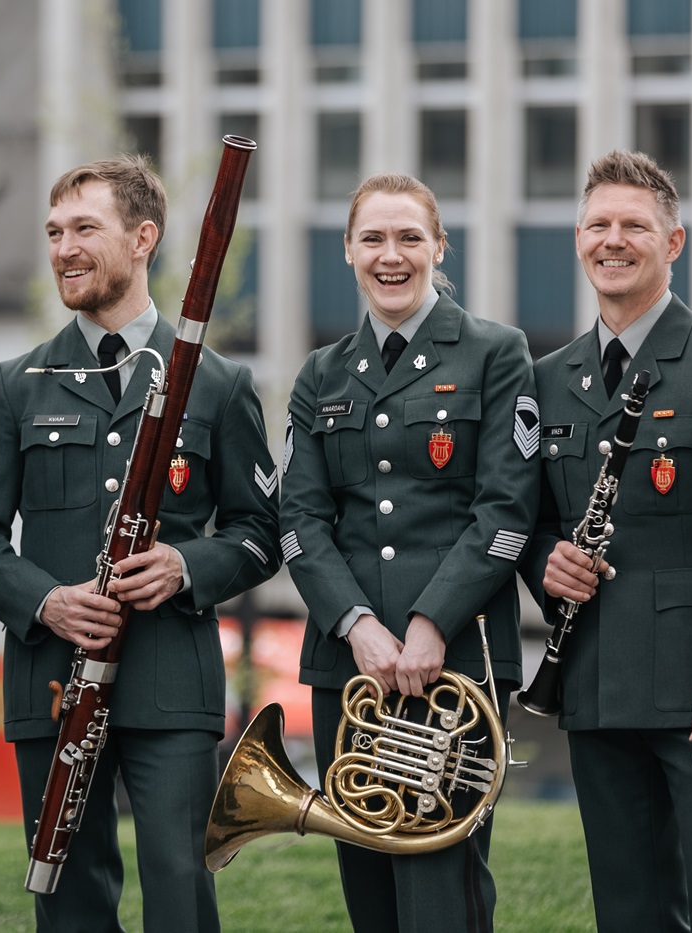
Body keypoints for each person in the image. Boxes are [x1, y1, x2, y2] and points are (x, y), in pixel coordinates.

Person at [0, 154, 280, 933]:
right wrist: (47, 602)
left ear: (142, 238)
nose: (64, 248)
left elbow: (264, 534)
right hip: (53, 683)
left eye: (84, 229)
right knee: (70, 905)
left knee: (181, 894)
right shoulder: (17, 382)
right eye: (54, 232)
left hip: (171, 681)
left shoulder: (217, 383)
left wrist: (185, 566)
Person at [519, 150, 692, 932]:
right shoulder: (548, 377)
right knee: (628, 908)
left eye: (634, 226)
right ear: (578, 240)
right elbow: (527, 522)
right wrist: (545, 563)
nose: (614, 240)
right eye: (598, 224)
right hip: (595, 683)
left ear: (673, 243)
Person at [278, 172, 539, 932]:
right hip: (348, 667)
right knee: (369, 893)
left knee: (441, 890)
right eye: (373, 239)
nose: (390, 256)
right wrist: (357, 625)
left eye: (409, 238)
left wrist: (431, 623)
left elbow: (507, 511)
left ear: (439, 247)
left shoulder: (496, 352)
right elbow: (299, 519)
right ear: (348, 250)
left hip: (457, 660)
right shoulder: (320, 373)